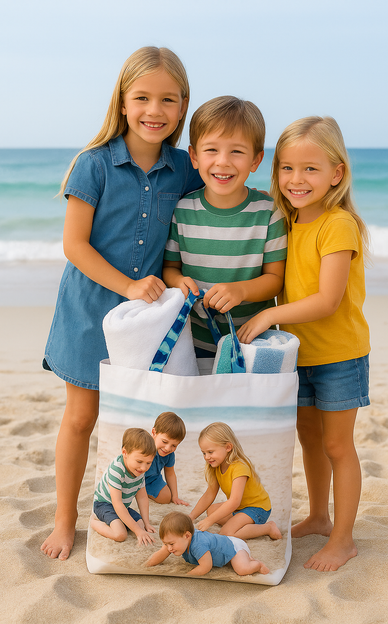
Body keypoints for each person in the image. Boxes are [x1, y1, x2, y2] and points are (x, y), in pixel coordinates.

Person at [41, 46, 202, 560]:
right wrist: (129, 283)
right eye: (142, 97)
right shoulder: (94, 164)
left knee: (145, 425)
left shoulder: (185, 168)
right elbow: (74, 245)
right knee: (82, 417)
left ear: (182, 107)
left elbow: (208, 215)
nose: (154, 110)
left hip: (147, 322)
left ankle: (138, 505)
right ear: (123, 101)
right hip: (89, 313)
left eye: (168, 100)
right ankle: (66, 520)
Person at [237, 116, 371, 572]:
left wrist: (271, 313)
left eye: (310, 169)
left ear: (336, 173)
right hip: (299, 355)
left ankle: (344, 538)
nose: (297, 179)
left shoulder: (338, 224)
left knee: (338, 446)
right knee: (309, 440)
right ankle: (317, 515)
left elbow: (328, 300)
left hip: (339, 355)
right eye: (287, 168)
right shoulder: (284, 221)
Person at [163, 95, 287, 357]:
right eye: (211, 150)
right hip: (193, 344)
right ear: (194, 156)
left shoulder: (268, 212)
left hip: (253, 343)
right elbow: (170, 268)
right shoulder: (182, 211)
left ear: (256, 160)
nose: (223, 161)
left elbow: (275, 280)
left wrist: (241, 290)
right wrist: (179, 282)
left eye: (237, 151)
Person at [189, 422, 281, 540]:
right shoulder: (216, 466)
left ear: (228, 447)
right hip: (240, 508)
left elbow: (234, 502)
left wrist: (209, 521)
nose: (207, 457)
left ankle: (268, 528)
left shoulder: (239, 467)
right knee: (211, 510)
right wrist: (191, 516)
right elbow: (209, 494)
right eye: (204, 453)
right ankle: (239, 522)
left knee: (226, 534)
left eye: (210, 452)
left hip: (257, 508)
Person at [145, 511, 270, 576]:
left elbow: (206, 566)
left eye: (171, 544)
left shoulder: (198, 544)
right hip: (224, 540)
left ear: (187, 535)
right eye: (166, 544)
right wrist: (147, 565)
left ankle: (257, 564)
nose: (169, 548)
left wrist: (186, 576)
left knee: (242, 569)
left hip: (235, 546)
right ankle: (248, 559)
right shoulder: (177, 540)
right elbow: (160, 554)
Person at [91, 428, 156, 544]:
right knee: (120, 534)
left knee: (140, 525)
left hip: (123, 506)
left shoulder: (139, 471)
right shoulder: (117, 470)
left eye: (148, 463)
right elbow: (117, 503)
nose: (144, 468)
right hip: (104, 504)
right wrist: (137, 531)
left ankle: (123, 522)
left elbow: (142, 497)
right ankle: (93, 522)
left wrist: (146, 523)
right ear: (125, 453)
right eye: (139, 461)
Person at [146, 411, 189, 505]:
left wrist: (175, 496)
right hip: (135, 478)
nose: (168, 448)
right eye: (164, 442)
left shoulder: (169, 454)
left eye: (174, 445)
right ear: (154, 433)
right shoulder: (144, 446)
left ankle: (144, 491)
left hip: (153, 480)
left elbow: (170, 473)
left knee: (166, 498)